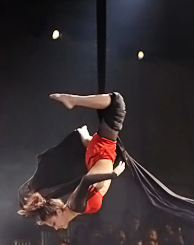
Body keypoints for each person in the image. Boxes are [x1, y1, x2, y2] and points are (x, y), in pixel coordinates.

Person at [19, 92, 127, 228]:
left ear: (59, 212)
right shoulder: (75, 208)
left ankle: (73, 101)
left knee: (117, 102)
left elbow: (86, 180)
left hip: (101, 152)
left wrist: (114, 174)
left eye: (53, 223)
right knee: (115, 104)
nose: (56, 228)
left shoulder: (75, 205)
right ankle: (85, 138)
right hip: (98, 157)